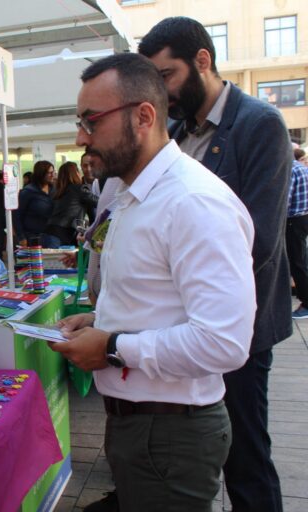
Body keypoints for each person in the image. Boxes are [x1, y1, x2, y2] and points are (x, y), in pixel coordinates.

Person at [52, 53, 256, 512]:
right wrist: (100, 320)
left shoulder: (193, 202)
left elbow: (224, 342)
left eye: (91, 121)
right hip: (145, 428)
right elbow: (155, 297)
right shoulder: (133, 194)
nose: (81, 137)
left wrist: (112, 346)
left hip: (170, 433)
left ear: (143, 116)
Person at [139, 18, 292, 512]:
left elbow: (259, 239)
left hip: (235, 327)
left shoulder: (259, 123)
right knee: (192, 451)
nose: (161, 91)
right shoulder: (175, 131)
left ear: (202, 60)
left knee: (246, 455)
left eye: (167, 75)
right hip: (180, 326)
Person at [48, 161, 98, 246]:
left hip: (49, 233)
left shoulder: (57, 191)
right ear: (76, 173)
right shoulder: (80, 189)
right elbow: (99, 202)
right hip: (64, 234)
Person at [13, 160, 57, 248]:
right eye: (49, 173)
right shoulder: (28, 191)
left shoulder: (55, 189)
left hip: (52, 237)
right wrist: (21, 237)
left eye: (53, 172)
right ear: (41, 174)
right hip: (32, 237)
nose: (53, 175)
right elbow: (17, 215)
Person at [287, 152, 308, 318]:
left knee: (297, 262)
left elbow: (284, 201)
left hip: (292, 220)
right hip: (303, 218)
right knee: (300, 260)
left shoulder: (290, 170)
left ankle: (306, 303)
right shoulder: (302, 168)